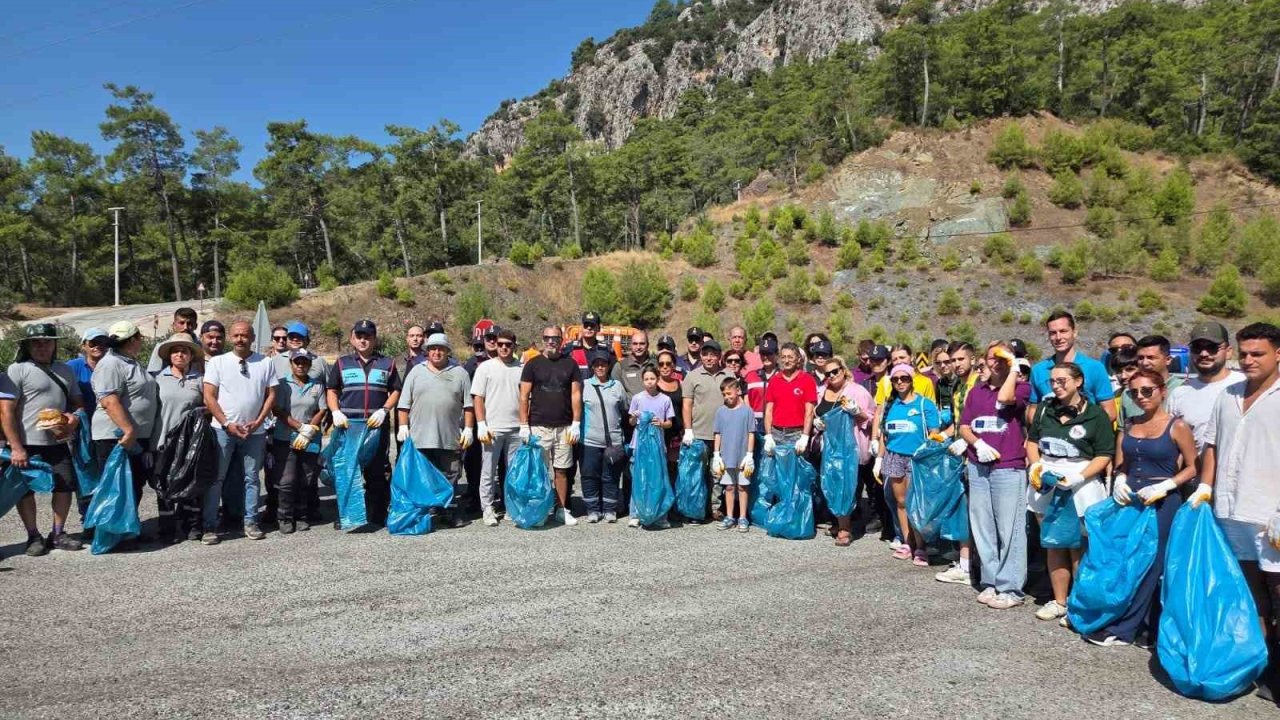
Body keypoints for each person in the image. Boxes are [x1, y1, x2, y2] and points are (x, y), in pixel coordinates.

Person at [1196, 322, 1280, 701]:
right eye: (1244, 353)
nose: (1249, 360)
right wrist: (1205, 487)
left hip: (1271, 513)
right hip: (1231, 510)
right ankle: (1258, 666)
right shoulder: (1227, 394)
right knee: (1249, 592)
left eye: (1257, 353)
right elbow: (1211, 445)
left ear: (1277, 354)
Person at [1094, 369, 1198, 647]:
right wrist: (1120, 478)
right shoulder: (1129, 424)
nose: (1141, 397)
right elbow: (1122, 462)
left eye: (1147, 390)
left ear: (1162, 391)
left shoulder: (1177, 426)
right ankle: (1137, 625)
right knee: (1128, 560)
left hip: (1162, 501)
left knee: (1152, 564)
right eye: (1134, 392)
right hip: (1132, 499)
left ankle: (1127, 629)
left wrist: (1167, 485)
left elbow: (1192, 467)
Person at [1025, 362, 1114, 624]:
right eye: (1052, 381)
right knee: (1054, 545)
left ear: (1078, 382)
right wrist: (1036, 465)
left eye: (1062, 380)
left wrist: (1079, 476)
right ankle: (1059, 601)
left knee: (1078, 547)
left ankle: (1079, 604)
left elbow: (1104, 454)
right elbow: (1032, 442)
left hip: (1080, 486)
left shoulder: (1096, 415)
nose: (1056, 386)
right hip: (1048, 483)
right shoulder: (1044, 410)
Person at [950, 343, 1029, 604]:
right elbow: (964, 426)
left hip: (1008, 466)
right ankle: (991, 580)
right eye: (992, 357)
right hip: (978, 465)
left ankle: (1011, 587)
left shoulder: (1021, 387)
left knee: (1010, 528)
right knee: (983, 526)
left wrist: (1012, 367)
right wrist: (977, 444)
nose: (996, 361)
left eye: (1002, 357)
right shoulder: (976, 392)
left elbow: (1005, 400)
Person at [5, 323, 85, 555]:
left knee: (64, 486)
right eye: (36, 342)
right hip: (26, 442)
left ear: (55, 344)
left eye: (47, 341)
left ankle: (57, 533)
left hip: (57, 441)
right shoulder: (16, 370)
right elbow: (6, 411)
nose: (42, 346)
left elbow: (78, 404)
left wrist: (73, 418)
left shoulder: (66, 371)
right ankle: (33, 536)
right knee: (25, 491)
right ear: (27, 345)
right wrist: (16, 446)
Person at [203, 320, 277, 540]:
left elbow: (271, 395)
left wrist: (259, 421)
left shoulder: (265, 362)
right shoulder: (217, 362)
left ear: (253, 338)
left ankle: (251, 522)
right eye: (235, 335)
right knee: (217, 478)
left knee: (252, 478)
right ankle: (210, 525)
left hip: (254, 432)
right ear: (230, 338)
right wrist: (227, 423)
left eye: (244, 335)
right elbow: (209, 396)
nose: (239, 339)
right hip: (223, 431)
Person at [328, 319, 401, 527]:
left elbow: (396, 389)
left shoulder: (388, 363)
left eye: (367, 336)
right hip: (348, 426)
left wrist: (385, 410)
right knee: (347, 471)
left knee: (377, 470)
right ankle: (346, 515)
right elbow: (332, 390)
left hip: (375, 426)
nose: (363, 340)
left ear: (374, 339)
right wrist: (335, 412)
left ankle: (377, 514)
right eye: (359, 336)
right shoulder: (342, 363)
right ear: (352, 339)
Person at [90, 321, 159, 536]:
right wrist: (128, 430)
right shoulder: (110, 363)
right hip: (117, 436)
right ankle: (112, 534)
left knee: (132, 485)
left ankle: (126, 529)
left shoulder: (130, 361)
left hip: (134, 437)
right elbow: (109, 400)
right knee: (116, 487)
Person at [397, 333, 474, 527]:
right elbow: (403, 404)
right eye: (433, 348)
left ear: (448, 351)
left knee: (450, 476)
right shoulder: (416, 372)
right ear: (427, 351)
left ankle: (445, 510)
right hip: (420, 438)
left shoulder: (460, 373)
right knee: (421, 477)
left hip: (450, 437)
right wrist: (403, 426)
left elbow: (468, 406)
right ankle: (422, 513)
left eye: (441, 348)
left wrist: (469, 429)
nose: (437, 352)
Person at [871, 363, 941, 567]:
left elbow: (934, 434)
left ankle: (922, 546)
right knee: (900, 502)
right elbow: (885, 434)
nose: (900, 382)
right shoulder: (890, 405)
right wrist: (879, 459)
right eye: (896, 379)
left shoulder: (924, 404)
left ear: (912, 380)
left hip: (916, 458)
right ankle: (907, 541)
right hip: (894, 457)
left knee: (915, 503)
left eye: (904, 378)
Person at [519, 326, 582, 525]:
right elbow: (523, 396)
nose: (551, 341)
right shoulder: (532, 364)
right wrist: (524, 425)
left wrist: (576, 423)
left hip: (564, 427)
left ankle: (562, 509)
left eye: (555, 338)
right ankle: (540, 510)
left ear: (561, 340)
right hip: (539, 426)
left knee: (562, 470)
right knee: (540, 470)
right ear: (542, 339)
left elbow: (575, 394)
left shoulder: (570, 364)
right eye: (547, 338)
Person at [812, 356, 874, 546]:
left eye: (835, 371)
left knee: (846, 487)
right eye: (827, 373)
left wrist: (857, 412)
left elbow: (872, 418)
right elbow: (816, 413)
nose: (831, 376)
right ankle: (838, 521)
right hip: (829, 446)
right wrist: (818, 426)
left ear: (843, 370)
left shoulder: (857, 391)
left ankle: (845, 528)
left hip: (849, 447)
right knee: (830, 484)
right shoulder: (821, 391)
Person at [151, 333, 207, 542]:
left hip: (191, 443)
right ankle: (166, 528)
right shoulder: (157, 379)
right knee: (163, 486)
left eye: (185, 351)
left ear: (191, 355)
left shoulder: (200, 380)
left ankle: (192, 525)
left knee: (191, 484)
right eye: (175, 351)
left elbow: (209, 406)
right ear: (169, 356)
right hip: (163, 440)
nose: (180, 354)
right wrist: (150, 446)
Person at [271, 349, 327, 534]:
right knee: (287, 480)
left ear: (310, 364)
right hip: (285, 437)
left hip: (310, 438)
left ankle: (301, 516)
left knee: (306, 479)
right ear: (291, 363)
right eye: (297, 362)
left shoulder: (317, 385)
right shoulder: (282, 384)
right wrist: (298, 427)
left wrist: (309, 429)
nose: (301, 365)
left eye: (304, 362)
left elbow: (321, 410)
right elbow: (278, 410)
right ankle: (285, 517)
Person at [472, 329, 523, 527]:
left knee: (513, 472)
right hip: (492, 428)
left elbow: (526, 398)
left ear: (514, 347)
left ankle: (511, 507)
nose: (503, 347)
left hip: (516, 429)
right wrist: (481, 424)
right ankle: (488, 508)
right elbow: (478, 397)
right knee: (488, 471)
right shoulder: (485, 368)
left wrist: (526, 425)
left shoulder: (521, 368)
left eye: (508, 344)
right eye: (500, 344)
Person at [1028, 311, 1117, 423]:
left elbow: (1110, 412)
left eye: (1063, 331)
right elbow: (1033, 410)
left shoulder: (1094, 368)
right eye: (1053, 333)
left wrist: (1082, 431)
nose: (1058, 337)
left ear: (1074, 333)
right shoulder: (1038, 370)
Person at [1168, 322, 1243, 453]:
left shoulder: (1245, 385)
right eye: (1197, 348)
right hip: (1195, 472)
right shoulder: (1179, 393)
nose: (1204, 353)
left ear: (1229, 351)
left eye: (1212, 347)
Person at [682, 339, 733, 522]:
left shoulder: (728, 374)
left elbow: (736, 402)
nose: (709, 358)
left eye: (713, 354)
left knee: (717, 473)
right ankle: (698, 509)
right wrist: (688, 430)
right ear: (701, 355)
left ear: (719, 356)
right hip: (698, 433)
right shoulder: (692, 376)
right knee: (697, 474)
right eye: (705, 354)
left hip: (723, 434)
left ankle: (715, 508)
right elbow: (687, 405)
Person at [580, 354, 627, 523]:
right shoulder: (585, 386)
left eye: (603, 364)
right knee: (589, 475)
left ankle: (609, 509)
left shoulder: (617, 386)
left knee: (611, 476)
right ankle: (593, 509)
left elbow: (623, 408)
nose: (600, 368)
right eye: (597, 365)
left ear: (608, 367)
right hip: (590, 440)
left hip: (613, 440)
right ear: (592, 367)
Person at [628, 364, 675, 529]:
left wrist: (661, 423)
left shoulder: (665, 399)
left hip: (657, 446)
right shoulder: (637, 399)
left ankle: (661, 515)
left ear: (657, 379)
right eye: (646, 379)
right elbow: (631, 422)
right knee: (639, 480)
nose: (649, 382)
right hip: (639, 446)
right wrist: (634, 418)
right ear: (642, 380)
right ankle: (635, 513)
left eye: (652, 378)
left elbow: (670, 422)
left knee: (658, 480)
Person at [712, 376, 755, 533]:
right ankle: (730, 516)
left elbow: (751, 433)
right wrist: (716, 455)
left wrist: (749, 455)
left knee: (743, 487)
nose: (727, 397)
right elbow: (717, 434)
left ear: (738, 391)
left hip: (743, 457)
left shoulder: (747, 411)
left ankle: (742, 516)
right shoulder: (721, 412)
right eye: (724, 394)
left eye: (729, 393)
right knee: (729, 487)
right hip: (726, 457)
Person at [1118, 335, 1184, 422]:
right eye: (1141, 358)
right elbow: (1122, 431)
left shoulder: (1182, 389)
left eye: (1151, 358)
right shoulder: (1128, 393)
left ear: (1168, 360)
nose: (1145, 363)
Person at [744, 334, 780, 434]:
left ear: (776, 354)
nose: (765, 357)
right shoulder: (750, 376)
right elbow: (746, 402)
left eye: (769, 353)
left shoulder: (783, 377)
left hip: (777, 427)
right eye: (763, 353)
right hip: (754, 426)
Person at [146, 306, 198, 374]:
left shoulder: (201, 347)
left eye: (190, 323)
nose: (185, 327)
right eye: (181, 323)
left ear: (196, 326)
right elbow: (153, 374)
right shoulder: (162, 347)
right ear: (174, 325)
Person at [569, 311, 614, 379]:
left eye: (592, 325)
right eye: (586, 325)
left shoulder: (606, 349)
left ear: (598, 328)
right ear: (581, 327)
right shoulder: (570, 348)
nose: (589, 328)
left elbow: (613, 374)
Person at [611, 330, 652, 401]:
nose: (638, 347)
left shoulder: (655, 364)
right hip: (629, 411)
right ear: (630, 345)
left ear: (647, 345)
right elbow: (614, 393)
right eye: (635, 344)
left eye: (642, 343)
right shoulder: (620, 366)